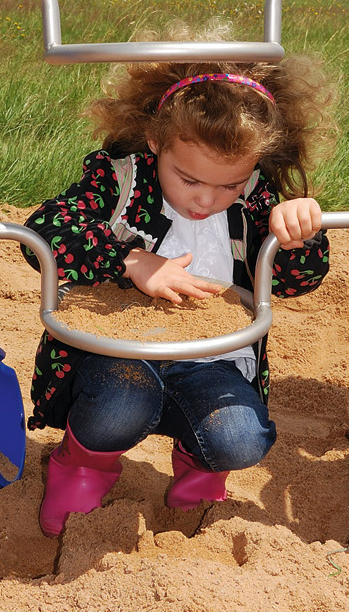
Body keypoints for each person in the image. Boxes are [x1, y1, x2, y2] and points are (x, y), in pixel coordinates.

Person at [21, 37, 332, 537]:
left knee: (243, 438)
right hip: (119, 355)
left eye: (228, 185)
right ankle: (82, 466)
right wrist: (130, 260)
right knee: (122, 403)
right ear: (155, 141)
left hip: (210, 359)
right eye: (187, 179)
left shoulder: (256, 200)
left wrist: (298, 237)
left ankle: (200, 468)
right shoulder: (119, 180)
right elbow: (45, 230)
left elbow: (297, 283)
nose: (206, 200)